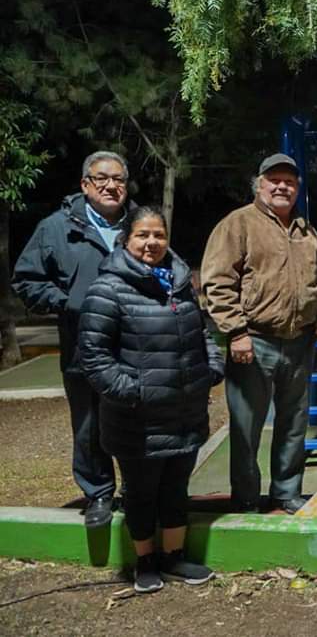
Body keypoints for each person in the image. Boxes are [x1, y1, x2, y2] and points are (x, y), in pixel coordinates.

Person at [78, 206, 224, 593]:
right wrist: (135, 391)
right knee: (141, 493)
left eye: (158, 235)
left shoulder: (178, 282)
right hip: (137, 419)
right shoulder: (107, 289)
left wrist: (211, 368)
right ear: (126, 240)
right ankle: (144, 560)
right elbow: (94, 358)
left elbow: (202, 333)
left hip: (185, 411)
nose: (152, 242)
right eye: (143, 235)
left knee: (176, 489)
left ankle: (174, 558)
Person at [13, 151, 134, 528]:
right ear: (85, 184)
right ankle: (98, 494)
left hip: (134, 345)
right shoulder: (55, 228)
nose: (112, 186)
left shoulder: (141, 225)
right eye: (102, 179)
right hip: (83, 345)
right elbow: (27, 280)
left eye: (119, 179)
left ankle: (136, 491)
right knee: (88, 423)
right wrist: (67, 303)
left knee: (137, 420)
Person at [201, 154, 317, 514]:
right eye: (274, 179)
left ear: (298, 188)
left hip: (299, 342)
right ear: (259, 184)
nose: (282, 186)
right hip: (253, 342)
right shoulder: (237, 224)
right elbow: (218, 283)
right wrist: (236, 332)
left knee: (293, 423)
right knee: (246, 428)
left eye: (289, 180)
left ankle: (287, 492)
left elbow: (314, 279)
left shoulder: (306, 230)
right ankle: (245, 498)